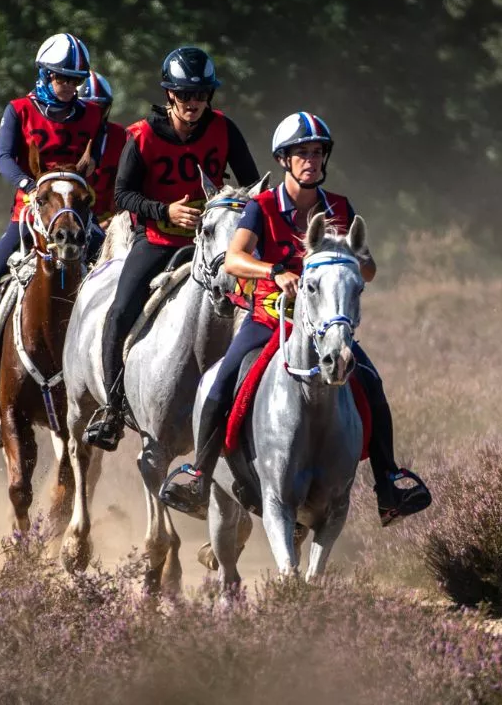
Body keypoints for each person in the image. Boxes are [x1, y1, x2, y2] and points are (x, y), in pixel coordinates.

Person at [160, 112, 432, 526]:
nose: (312, 160)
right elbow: (234, 259)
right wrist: (274, 272)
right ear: (284, 160)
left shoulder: (339, 207)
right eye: (302, 153)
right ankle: (199, 475)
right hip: (269, 318)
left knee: (371, 383)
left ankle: (388, 483)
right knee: (220, 381)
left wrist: (352, 260)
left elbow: (368, 269)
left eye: (318, 152)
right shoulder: (261, 206)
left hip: (322, 327)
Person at [82, 46, 261, 451]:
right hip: (158, 241)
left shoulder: (225, 129)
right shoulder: (141, 136)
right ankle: (112, 409)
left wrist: (230, 212)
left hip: (214, 243)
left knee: (259, 309)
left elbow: (252, 187)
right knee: (119, 312)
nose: (193, 103)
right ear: (169, 96)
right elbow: (122, 195)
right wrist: (165, 210)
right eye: (184, 95)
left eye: (200, 95)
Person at [0, 33, 103, 442]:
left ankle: (112, 378)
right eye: (59, 78)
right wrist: (31, 188)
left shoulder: (90, 116)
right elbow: (3, 158)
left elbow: (94, 162)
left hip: (76, 216)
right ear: (43, 75)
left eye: (73, 79)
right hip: (29, 215)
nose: (67, 86)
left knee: (113, 279)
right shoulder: (18, 110)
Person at [78, 71, 126, 231]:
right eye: (87, 108)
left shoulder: (120, 136)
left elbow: (130, 184)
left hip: (110, 223)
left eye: (100, 109)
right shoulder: (62, 136)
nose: (95, 115)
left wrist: (116, 219)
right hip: (66, 220)